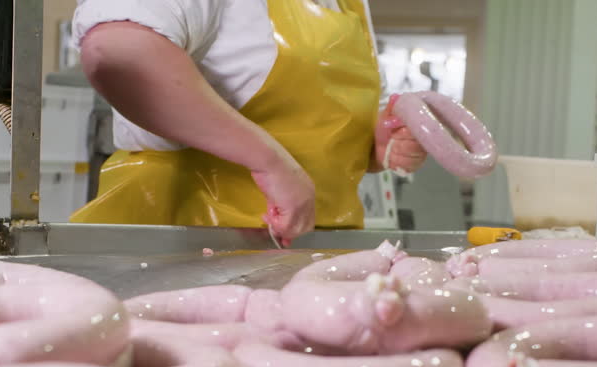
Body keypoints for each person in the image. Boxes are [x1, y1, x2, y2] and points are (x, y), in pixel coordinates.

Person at [69, 0, 428, 246]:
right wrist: (269, 162)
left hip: (309, 251)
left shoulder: (349, 4)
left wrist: (374, 140)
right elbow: (119, 53)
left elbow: (312, 124)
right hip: (183, 244)